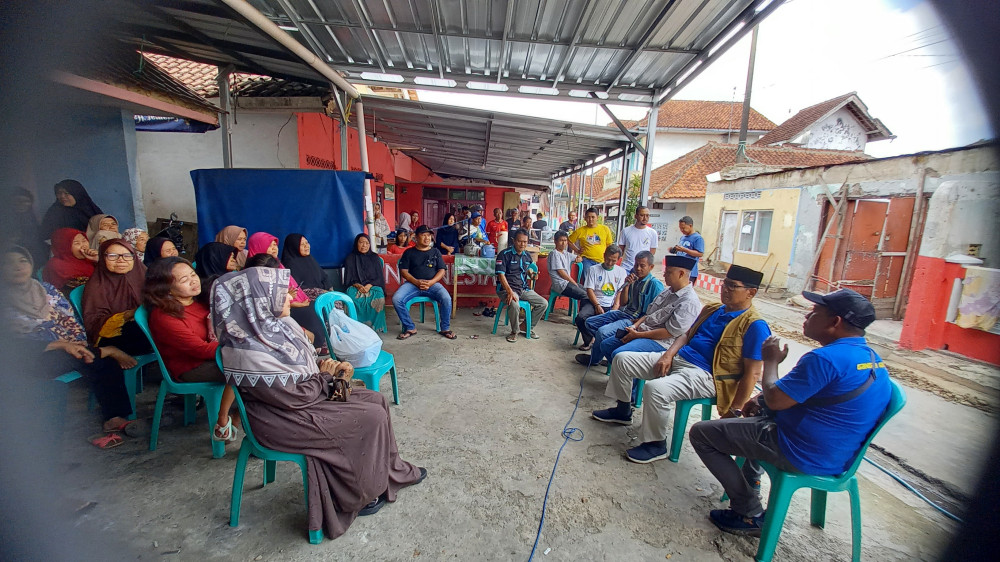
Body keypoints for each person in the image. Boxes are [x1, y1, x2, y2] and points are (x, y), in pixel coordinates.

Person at [211, 267, 426, 538]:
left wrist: (324, 371)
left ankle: (386, 473)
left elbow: (303, 378)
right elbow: (295, 395)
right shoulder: (248, 349)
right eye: (281, 294)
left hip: (300, 402)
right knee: (369, 417)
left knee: (377, 400)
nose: (290, 297)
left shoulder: (276, 328)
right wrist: (328, 373)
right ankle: (360, 496)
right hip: (280, 419)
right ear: (258, 302)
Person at [691, 288, 891, 537]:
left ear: (835, 322)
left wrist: (771, 361)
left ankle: (748, 512)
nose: (807, 316)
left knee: (702, 433)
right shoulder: (872, 358)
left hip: (800, 451)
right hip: (837, 454)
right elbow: (796, 394)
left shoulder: (825, 359)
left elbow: (776, 400)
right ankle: (751, 481)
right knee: (757, 414)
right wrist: (762, 398)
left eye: (815, 312)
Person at [591, 264, 770, 464]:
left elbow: (753, 374)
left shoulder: (754, 325)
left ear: (751, 292)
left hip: (707, 375)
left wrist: (734, 410)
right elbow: (686, 335)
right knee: (623, 359)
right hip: (679, 359)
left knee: (655, 388)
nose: (725, 289)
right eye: (724, 283)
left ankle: (656, 444)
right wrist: (668, 355)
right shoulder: (713, 309)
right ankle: (623, 410)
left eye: (733, 286)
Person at [3, 245, 136, 449]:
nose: (18, 267)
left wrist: (76, 344)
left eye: (23, 261)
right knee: (75, 356)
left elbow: (70, 321)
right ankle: (104, 350)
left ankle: (114, 418)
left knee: (102, 362)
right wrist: (59, 344)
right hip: (27, 358)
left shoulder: (46, 290)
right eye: (9, 263)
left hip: (67, 348)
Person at [143, 257, 238, 441]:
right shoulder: (164, 316)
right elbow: (199, 349)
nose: (194, 281)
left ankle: (239, 418)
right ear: (165, 288)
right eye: (184, 280)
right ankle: (225, 420)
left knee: (263, 362)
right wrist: (240, 346)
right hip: (193, 366)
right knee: (253, 367)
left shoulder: (198, 301)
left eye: (193, 274)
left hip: (218, 354)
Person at [585, 255, 702, 370]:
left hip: (661, 342)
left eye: (668, 272)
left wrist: (638, 335)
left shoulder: (689, 301)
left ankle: (633, 386)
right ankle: (623, 375)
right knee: (606, 345)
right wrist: (634, 327)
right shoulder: (668, 292)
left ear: (681, 274)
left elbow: (670, 332)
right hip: (642, 329)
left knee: (618, 354)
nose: (664, 274)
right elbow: (648, 314)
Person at [575, 251, 665, 367]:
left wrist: (637, 323)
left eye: (642, 266)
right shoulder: (634, 279)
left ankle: (595, 358)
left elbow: (654, 313)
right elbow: (624, 302)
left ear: (651, 267)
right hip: (624, 313)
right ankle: (604, 351)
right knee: (590, 323)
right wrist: (627, 285)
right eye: (636, 265)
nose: (638, 268)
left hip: (635, 320)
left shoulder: (654, 285)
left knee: (602, 332)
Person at [81, 239, 153, 357]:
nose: (121, 260)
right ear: (103, 259)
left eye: (127, 255)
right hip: (113, 335)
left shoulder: (143, 274)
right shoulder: (97, 285)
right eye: (112, 256)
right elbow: (94, 324)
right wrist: (128, 315)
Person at [392, 225, 455, 340]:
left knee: (446, 298)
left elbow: (442, 270)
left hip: (432, 285)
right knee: (397, 299)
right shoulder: (409, 252)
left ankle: (445, 328)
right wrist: (416, 281)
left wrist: (431, 282)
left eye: (429, 235)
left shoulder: (435, 252)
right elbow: (404, 271)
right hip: (412, 284)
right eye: (423, 235)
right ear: (416, 237)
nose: (427, 238)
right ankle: (410, 327)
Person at [495, 229, 547, 343]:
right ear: (514, 241)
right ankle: (515, 331)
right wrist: (509, 292)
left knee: (543, 303)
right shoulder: (504, 255)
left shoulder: (527, 256)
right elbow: (501, 275)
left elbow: (527, 270)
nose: (522, 244)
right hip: (506, 289)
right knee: (514, 304)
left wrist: (532, 275)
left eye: (525, 242)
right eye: (520, 241)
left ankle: (527, 327)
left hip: (523, 289)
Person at [576, 246, 627, 351]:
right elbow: (589, 290)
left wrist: (615, 307)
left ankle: (604, 345)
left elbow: (619, 292)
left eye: (613, 260)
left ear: (618, 260)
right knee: (581, 318)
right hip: (593, 301)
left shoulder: (621, 272)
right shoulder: (593, 269)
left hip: (611, 304)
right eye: (608, 259)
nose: (610, 262)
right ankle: (589, 340)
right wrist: (597, 305)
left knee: (622, 321)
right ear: (604, 256)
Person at [246, 232, 309, 305]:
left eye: (275, 245)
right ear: (258, 247)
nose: (274, 248)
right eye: (269, 246)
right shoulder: (254, 273)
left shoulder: (279, 266)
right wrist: (290, 300)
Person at [343, 234, 387, 332]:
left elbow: (379, 278)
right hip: (355, 286)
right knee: (351, 298)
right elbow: (348, 279)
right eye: (361, 242)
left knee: (378, 298)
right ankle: (355, 328)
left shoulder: (375, 258)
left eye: (367, 243)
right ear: (356, 244)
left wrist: (369, 286)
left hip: (373, 285)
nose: (364, 245)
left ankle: (376, 328)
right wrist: (358, 285)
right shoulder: (350, 258)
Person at [1, 187, 47, 266]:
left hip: (34, 257)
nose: (22, 204)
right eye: (18, 201)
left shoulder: (32, 218)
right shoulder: (5, 219)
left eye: (26, 201)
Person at [42, 228, 97, 294]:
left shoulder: (89, 260)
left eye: (84, 241)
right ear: (64, 246)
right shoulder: (57, 265)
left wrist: (98, 259)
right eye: (77, 243)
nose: (84, 246)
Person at [281, 233, 332, 300]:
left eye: (307, 243)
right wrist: (320, 292)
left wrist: (330, 290)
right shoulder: (289, 264)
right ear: (294, 247)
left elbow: (324, 277)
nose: (306, 246)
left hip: (322, 295)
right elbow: (296, 288)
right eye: (302, 244)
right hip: (305, 299)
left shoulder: (310, 259)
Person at [568, 207, 614, 276]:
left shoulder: (605, 229)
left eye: (593, 217)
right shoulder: (580, 230)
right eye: (588, 217)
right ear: (585, 218)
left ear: (597, 217)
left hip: (602, 260)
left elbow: (609, 245)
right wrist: (577, 250)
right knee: (588, 280)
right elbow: (569, 241)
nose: (590, 219)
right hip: (587, 260)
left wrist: (609, 258)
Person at [547, 231, 588, 302]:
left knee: (590, 293)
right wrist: (574, 283)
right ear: (555, 241)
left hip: (568, 283)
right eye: (561, 240)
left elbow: (579, 257)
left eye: (565, 241)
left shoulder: (566, 253)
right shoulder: (554, 253)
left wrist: (579, 258)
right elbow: (561, 272)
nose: (563, 243)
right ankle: (584, 313)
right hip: (560, 285)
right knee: (585, 295)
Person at [618, 206, 659, 273]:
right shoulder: (625, 231)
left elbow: (652, 252)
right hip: (626, 268)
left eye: (647, 215)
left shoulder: (653, 233)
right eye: (642, 215)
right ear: (636, 216)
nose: (645, 218)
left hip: (642, 270)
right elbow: (620, 250)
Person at [671, 216, 705, 282]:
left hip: (689, 271)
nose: (682, 230)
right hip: (679, 269)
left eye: (683, 228)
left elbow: (700, 254)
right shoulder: (683, 237)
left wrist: (684, 250)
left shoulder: (697, 238)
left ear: (690, 226)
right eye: (680, 228)